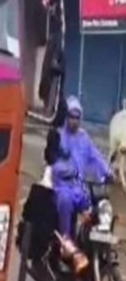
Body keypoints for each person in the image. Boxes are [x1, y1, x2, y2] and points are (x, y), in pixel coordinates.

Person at [50, 96, 112, 269]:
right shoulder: (59, 136)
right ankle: (67, 244)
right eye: (71, 116)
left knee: (99, 207)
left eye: (77, 118)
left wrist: (108, 172)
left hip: (79, 188)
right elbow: (54, 162)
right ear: (66, 116)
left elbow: (96, 157)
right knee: (65, 202)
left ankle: (92, 245)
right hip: (62, 187)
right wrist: (68, 170)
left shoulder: (84, 138)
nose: (74, 121)